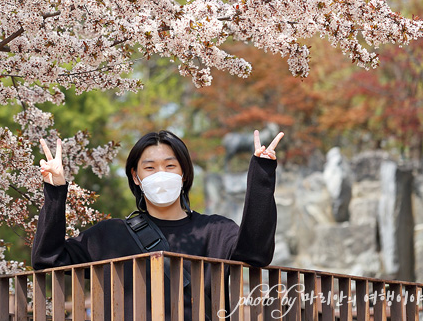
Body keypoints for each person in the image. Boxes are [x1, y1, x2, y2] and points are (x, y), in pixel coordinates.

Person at [31, 129, 283, 320]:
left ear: (183, 174)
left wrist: (261, 175)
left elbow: (256, 254)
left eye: (170, 166)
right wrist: (55, 191)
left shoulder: (216, 231)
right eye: (149, 167)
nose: (160, 174)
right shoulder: (108, 235)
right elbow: (48, 259)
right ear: (136, 177)